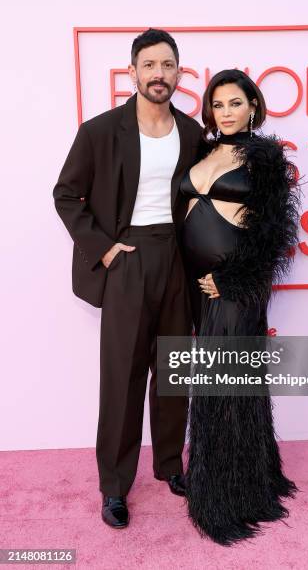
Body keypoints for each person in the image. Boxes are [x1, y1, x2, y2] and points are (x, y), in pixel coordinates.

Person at [53, 29, 202, 529]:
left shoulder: (193, 133)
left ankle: (168, 467)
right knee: (122, 378)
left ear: (179, 73)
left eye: (167, 65)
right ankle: (114, 487)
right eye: (150, 65)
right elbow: (65, 194)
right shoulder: (100, 131)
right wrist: (106, 250)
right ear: (133, 72)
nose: (159, 74)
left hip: (176, 258)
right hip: (128, 260)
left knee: (174, 370)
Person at [179, 69, 302, 545]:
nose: (225, 112)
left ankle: (230, 494)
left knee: (224, 384)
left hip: (233, 289)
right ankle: (237, 478)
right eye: (218, 104)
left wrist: (229, 280)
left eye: (235, 103)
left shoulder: (265, 158)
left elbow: (272, 237)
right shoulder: (202, 152)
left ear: (253, 105)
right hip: (196, 286)